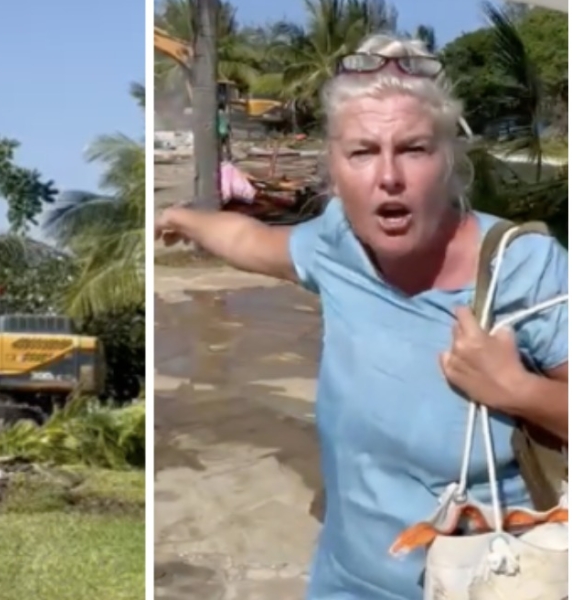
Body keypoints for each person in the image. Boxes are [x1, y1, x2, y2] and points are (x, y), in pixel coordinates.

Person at [155, 34, 568, 599]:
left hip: (480, 582)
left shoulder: (523, 267)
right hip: (341, 583)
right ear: (334, 167)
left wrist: (517, 390)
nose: (388, 176)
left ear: (449, 158)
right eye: (363, 152)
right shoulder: (337, 244)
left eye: (414, 149)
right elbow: (251, 240)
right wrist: (182, 218)